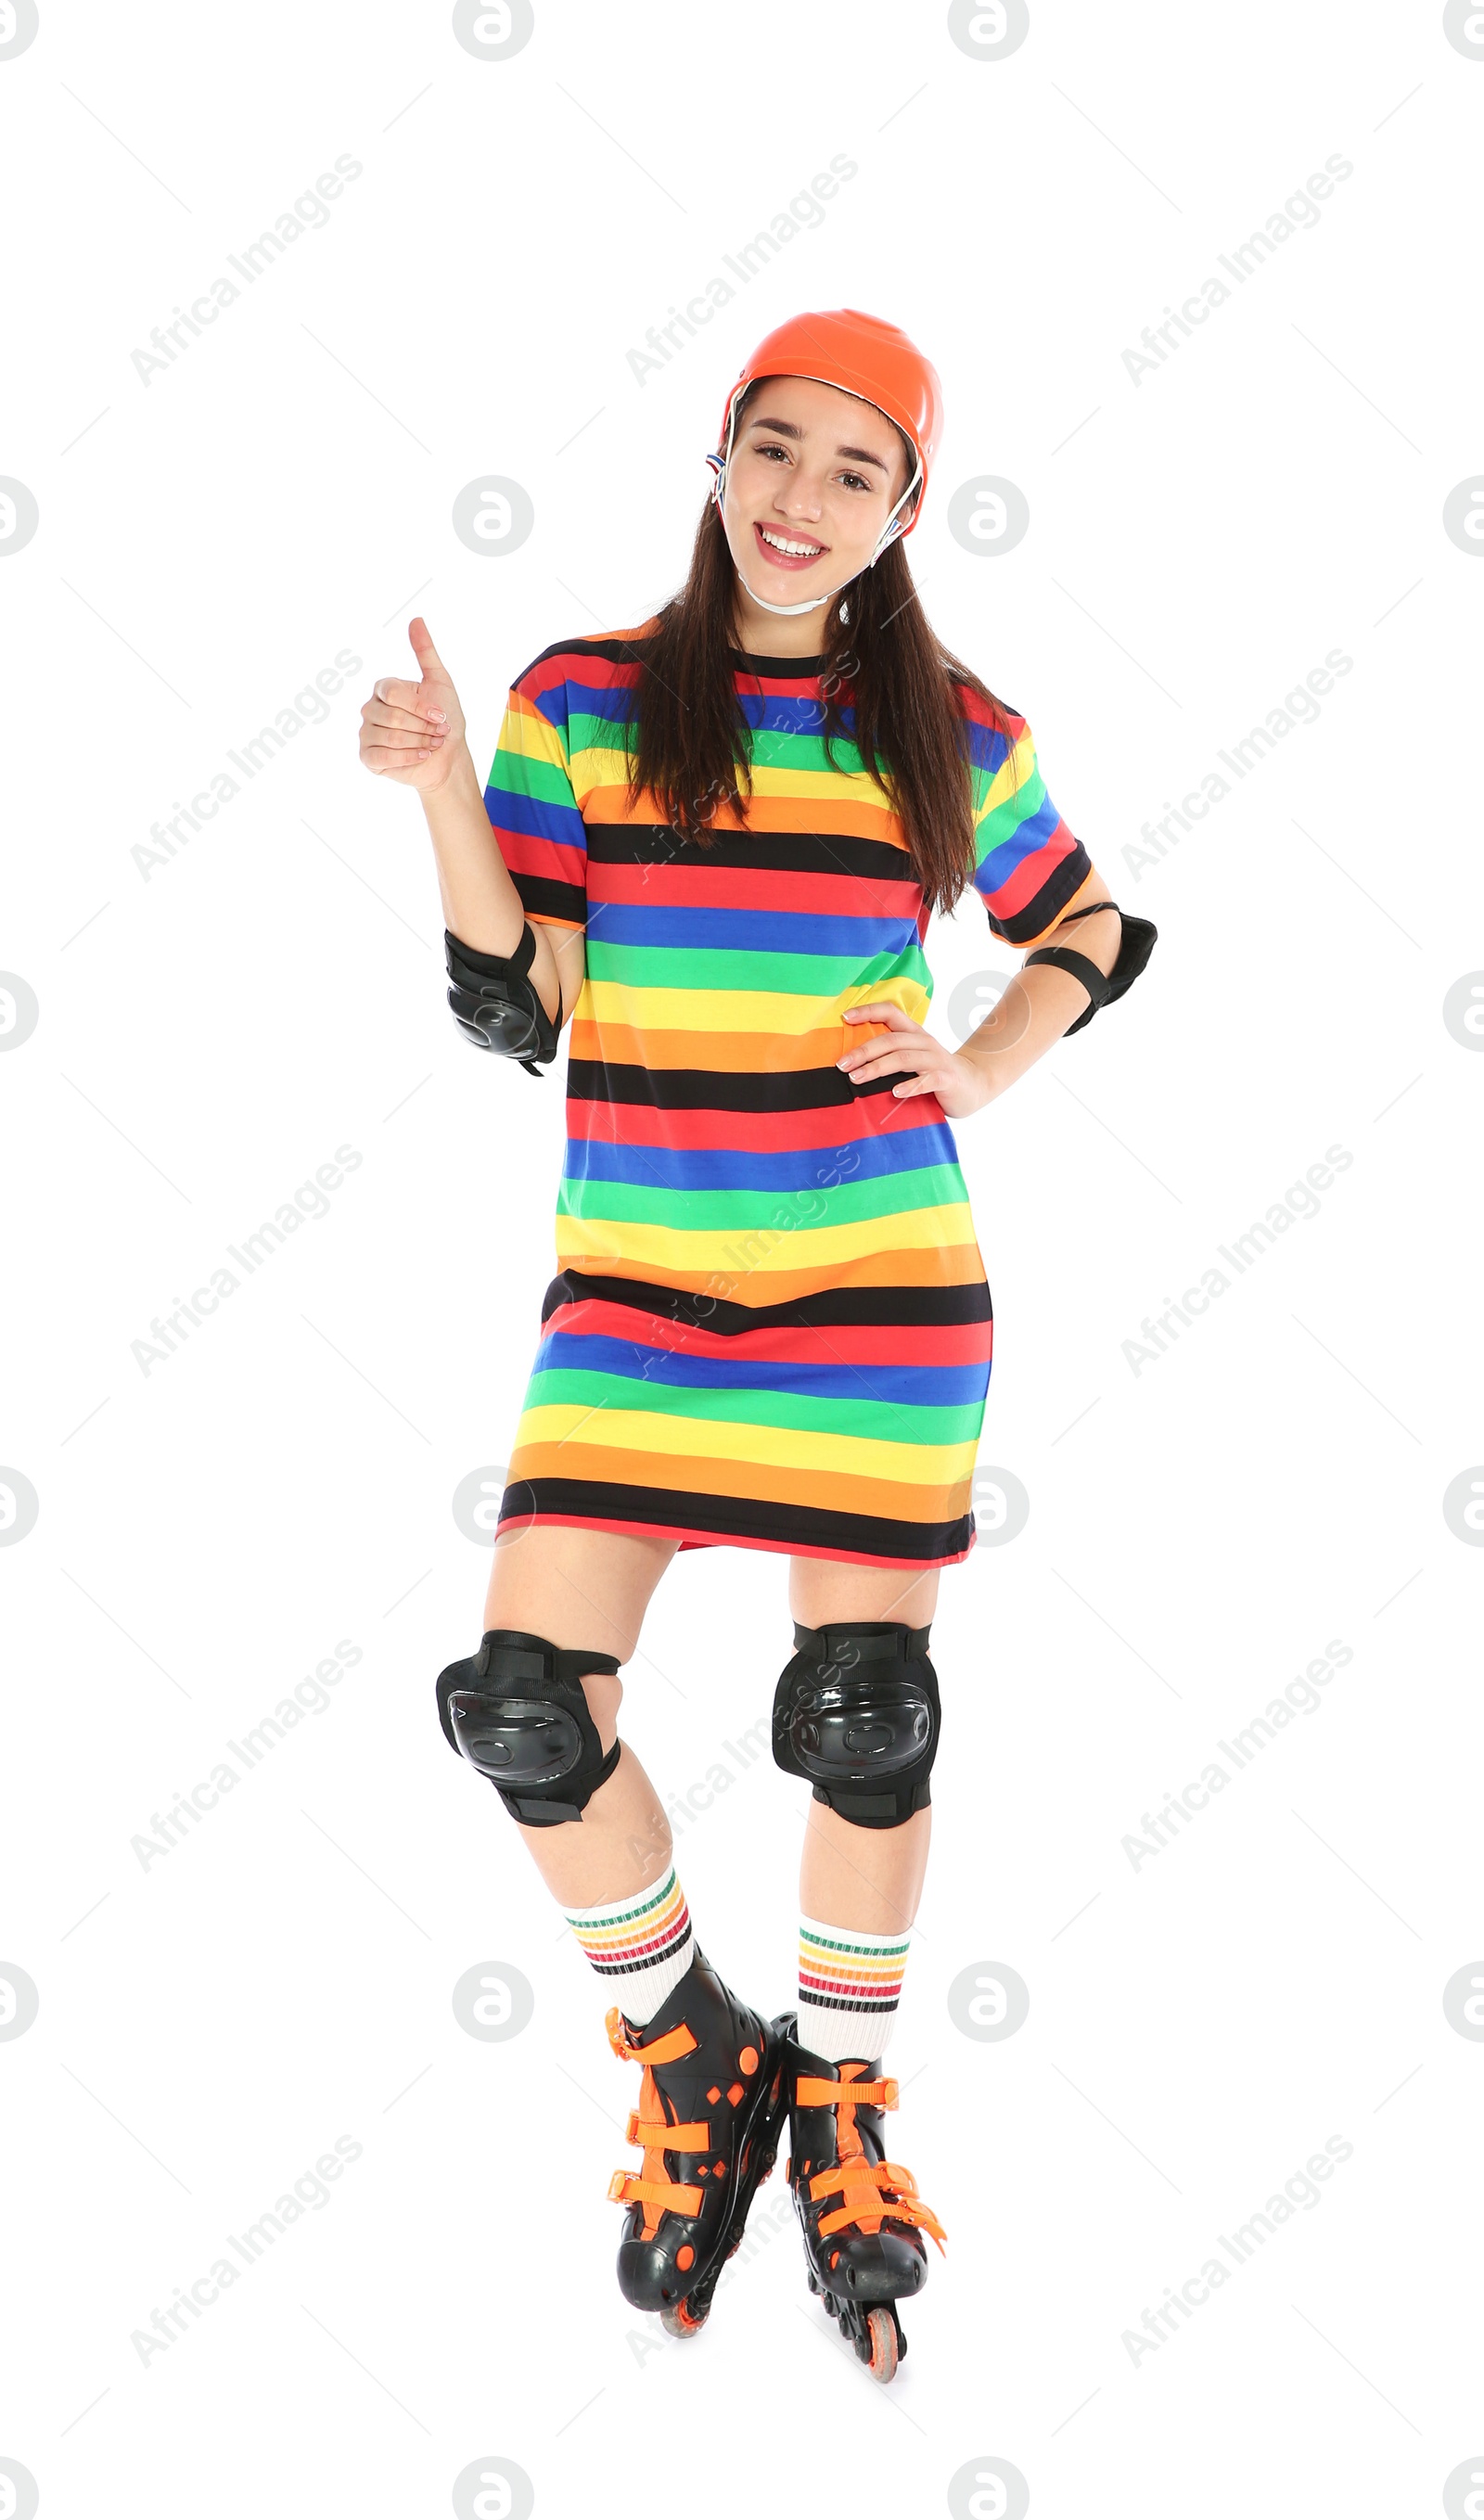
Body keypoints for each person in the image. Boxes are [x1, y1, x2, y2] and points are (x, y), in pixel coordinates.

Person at [357, 308, 1155, 2384]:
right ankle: (691, 2053)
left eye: (853, 473)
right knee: (523, 1707)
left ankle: (847, 2099)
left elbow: (1086, 923)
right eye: (773, 451)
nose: (800, 503)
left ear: (903, 511)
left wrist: (977, 1057)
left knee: (863, 1710)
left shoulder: (942, 729)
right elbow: (521, 996)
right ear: (718, 452)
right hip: (634, 1292)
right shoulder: (583, 702)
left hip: (876, 1292)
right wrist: (444, 793)